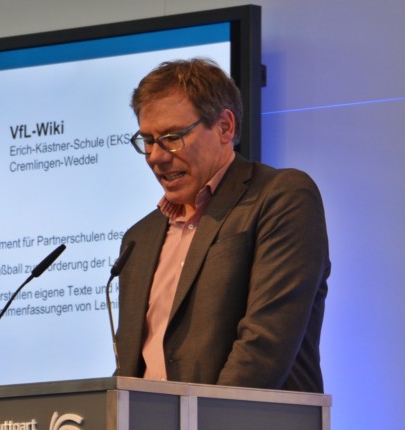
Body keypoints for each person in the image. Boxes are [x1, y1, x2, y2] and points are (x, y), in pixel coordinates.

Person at [114, 58, 330, 393]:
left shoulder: (282, 197)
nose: (156, 156)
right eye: (149, 140)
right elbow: (131, 369)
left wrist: (204, 417)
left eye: (172, 137)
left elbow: (263, 346)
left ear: (225, 127)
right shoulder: (138, 239)